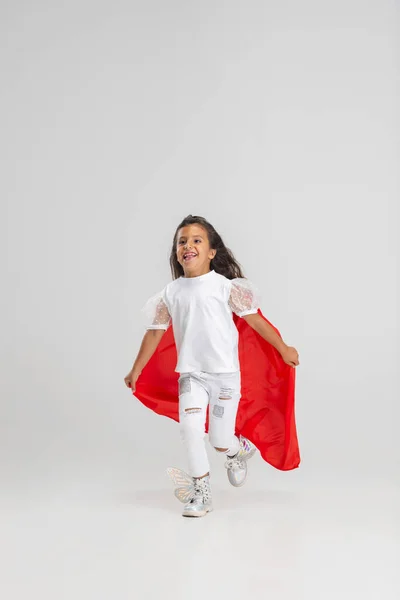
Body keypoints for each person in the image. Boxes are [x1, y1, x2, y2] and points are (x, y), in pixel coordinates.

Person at [124, 215, 300, 518]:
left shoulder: (225, 288)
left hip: (225, 379)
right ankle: (201, 493)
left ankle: (237, 450)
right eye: (182, 241)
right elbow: (154, 332)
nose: (188, 246)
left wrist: (283, 348)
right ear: (176, 252)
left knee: (219, 439)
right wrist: (136, 368)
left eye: (196, 240)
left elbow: (255, 322)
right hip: (192, 376)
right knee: (190, 430)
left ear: (211, 253)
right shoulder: (170, 294)